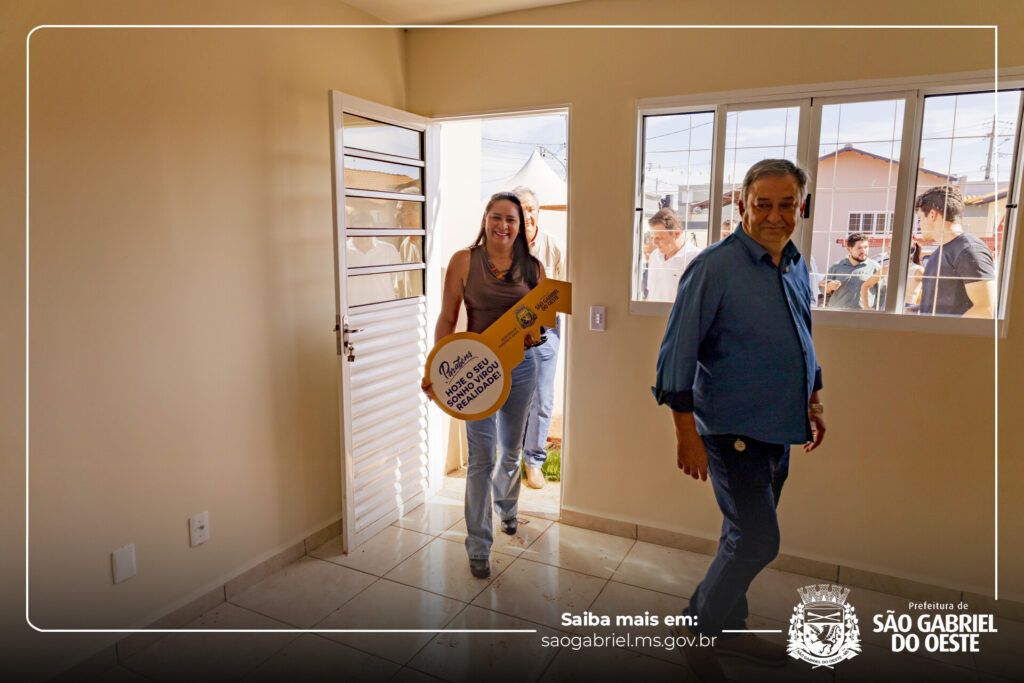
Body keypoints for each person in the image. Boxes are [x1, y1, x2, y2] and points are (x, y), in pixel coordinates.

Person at [652, 159, 826, 682]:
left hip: (779, 426)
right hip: (732, 431)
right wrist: (686, 436)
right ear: (743, 206)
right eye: (763, 204)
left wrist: (812, 398)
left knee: (739, 534)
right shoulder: (715, 267)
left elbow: (801, 334)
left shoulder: (794, 263)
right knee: (756, 541)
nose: (775, 216)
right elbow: (676, 357)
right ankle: (697, 629)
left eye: (786, 204)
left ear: (800, 207)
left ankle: (730, 628)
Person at [423, 192, 546, 579]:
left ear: (520, 227)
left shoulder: (534, 267)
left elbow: (543, 322)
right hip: (476, 371)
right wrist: (438, 369)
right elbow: (447, 318)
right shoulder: (464, 261)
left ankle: (507, 508)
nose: (503, 225)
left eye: (511, 219)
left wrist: (535, 333)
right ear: (485, 219)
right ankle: (478, 545)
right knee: (481, 459)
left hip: (522, 369)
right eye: (496, 217)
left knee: (511, 449)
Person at [513, 186, 566, 489]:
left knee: (543, 397)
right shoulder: (502, 248)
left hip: (546, 332)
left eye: (531, 209)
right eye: (521, 209)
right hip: (511, 332)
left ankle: (534, 462)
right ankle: (513, 458)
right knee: (515, 397)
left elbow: (567, 287)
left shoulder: (554, 246)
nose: (527, 215)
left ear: (538, 212)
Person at [914, 185, 997, 317]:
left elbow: (985, 309)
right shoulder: (939, 252)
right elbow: (942, 305)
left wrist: (941, 331)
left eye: (920, 219)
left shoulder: (969, 250)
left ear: (932, 215)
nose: (919, 225)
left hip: (950, 332)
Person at [646, 208, 702, 301]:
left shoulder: (697, 259)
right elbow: (651, 292)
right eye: (652, 237)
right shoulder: (654, 256)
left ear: (677, 233)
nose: (654, 242)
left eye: (659, 238)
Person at [822, 233, 881, 309]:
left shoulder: (875, 267)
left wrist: (875, 312)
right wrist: (830, 286)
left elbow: (882, 293)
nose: (864, 251)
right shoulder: (836, 267)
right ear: (849, 249)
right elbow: (823, 290)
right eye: (859, 248)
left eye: (866, 247)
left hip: (863, 314)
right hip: (836, 313)